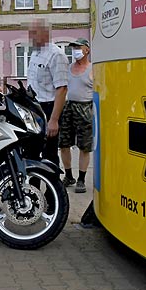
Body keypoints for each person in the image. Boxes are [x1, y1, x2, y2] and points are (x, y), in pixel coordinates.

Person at [26, 19, 69, 167]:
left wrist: (54, 120)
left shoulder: (57, 55)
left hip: (48, 109)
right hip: (33, 109)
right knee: (32, 153)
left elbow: (62, 88)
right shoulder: (35, 53)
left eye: (33, 33)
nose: (30, 36)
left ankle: (53, 190)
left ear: (45, 33)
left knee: (49, 154)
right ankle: (32, 188)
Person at [59, 38, 93, 193]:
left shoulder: (93, 69)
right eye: (73, 48)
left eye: (78, 48)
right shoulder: (69, 68)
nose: (75, 51)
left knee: (84, 146)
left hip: (85, 107)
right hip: (68, 107)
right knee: (64, 144)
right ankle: (68, 175)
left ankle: (81, 179)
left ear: (86, 50)